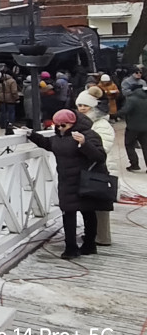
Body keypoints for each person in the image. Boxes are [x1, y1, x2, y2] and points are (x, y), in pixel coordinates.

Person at [25, 109, 106, 258]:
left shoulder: (88, 135)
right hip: (66, 181)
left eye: (63, 126)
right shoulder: (58, 137)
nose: (60, 128)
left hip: (85, 181)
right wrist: (31, 134)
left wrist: (84, 143)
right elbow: (48, 144)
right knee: (68, 212)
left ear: (72, 124)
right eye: (57, 126)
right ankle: (71, 247)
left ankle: (89, 244)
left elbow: (100, 157)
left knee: (88, 211)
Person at [76, 87, 116, 247]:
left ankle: (103, 237)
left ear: (93, 107)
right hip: (86, 169)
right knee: (90, 204)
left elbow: (104, 147)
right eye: (79, 105)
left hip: (101, 168)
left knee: (101, 206)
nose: (82, 109)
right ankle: (92, 234)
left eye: (86, 106)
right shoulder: (81, 123)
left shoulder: (102, 125)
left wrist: (83, 147)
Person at [118, 81, 147, 171]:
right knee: (145, 147)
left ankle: (134, 164)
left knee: (129, 145)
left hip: (132, 127)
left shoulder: (131, 99)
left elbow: (125, 111)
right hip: (145, 128)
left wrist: (113, 115)